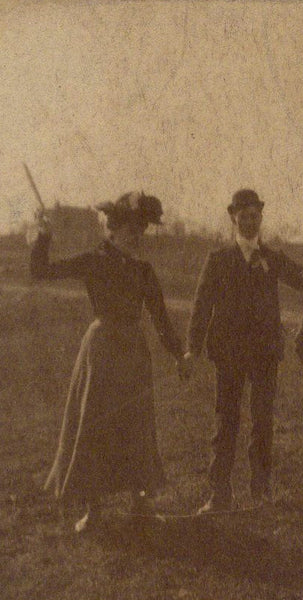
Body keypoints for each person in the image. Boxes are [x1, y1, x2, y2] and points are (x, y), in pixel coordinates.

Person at [31, 191, 186, 532]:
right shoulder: (94, 260)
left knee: (137, 427)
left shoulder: (144, 271)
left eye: (140, 230)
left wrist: (179, 354)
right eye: (130, 228)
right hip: (100, 353)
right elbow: (41, 270)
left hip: (133, 355)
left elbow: (161, 319)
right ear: (111, 229)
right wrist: (43, 234)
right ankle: (93, 508)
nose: (136, 235)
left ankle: (140, 503)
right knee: (94, 426)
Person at [184, 189, 303, 512]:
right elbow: (201, 305)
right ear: (233, 217)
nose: (251, 221)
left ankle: (261, 489)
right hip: (229, 354)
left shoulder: (273, 258)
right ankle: (220, 494)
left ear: (261, 218)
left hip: (265, 353)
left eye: (256, 215)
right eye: (245, 216)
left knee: (263, 422)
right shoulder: (219, 259)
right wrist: (192, 349)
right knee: (226, 422)